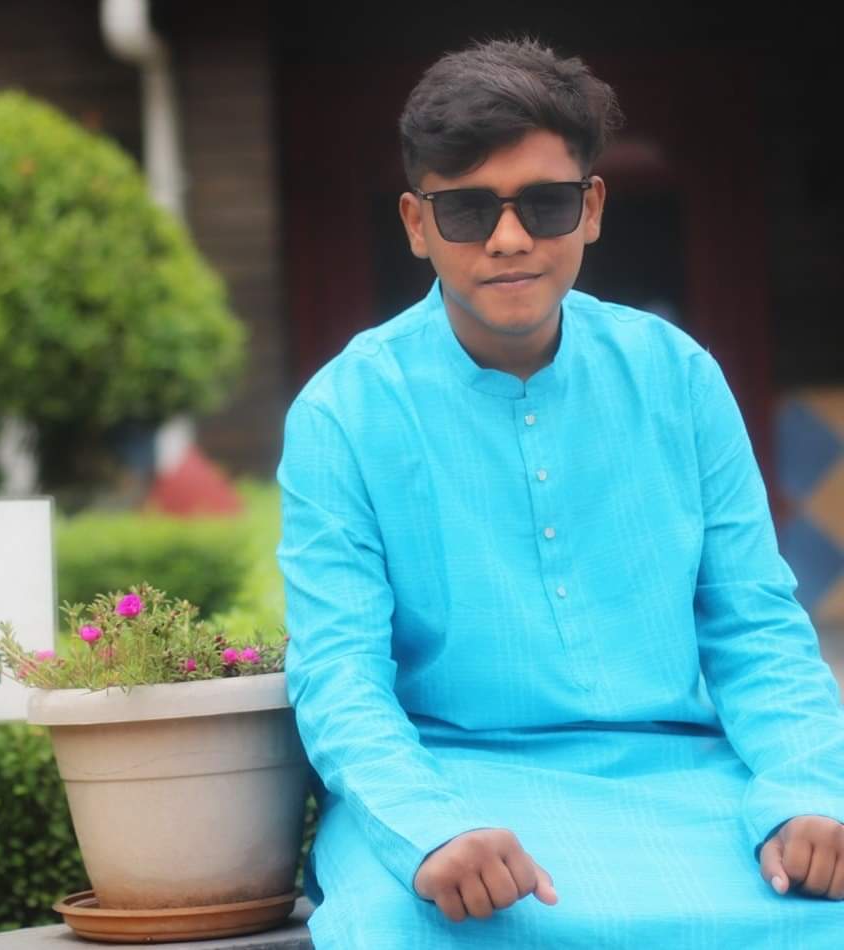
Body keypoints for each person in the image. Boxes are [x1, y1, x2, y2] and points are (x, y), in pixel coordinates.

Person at [276, 36, 844, 948]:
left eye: (543, 204)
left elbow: (757, 627)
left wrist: (809, 793)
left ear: (592, 208)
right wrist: (430, 830)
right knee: (416, 927)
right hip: (453, 787)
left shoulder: (678, 378)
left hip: (690, 783)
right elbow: (339, 674)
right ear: (417, 224)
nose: (509, 239)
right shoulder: (343, 413)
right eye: (468, 210)